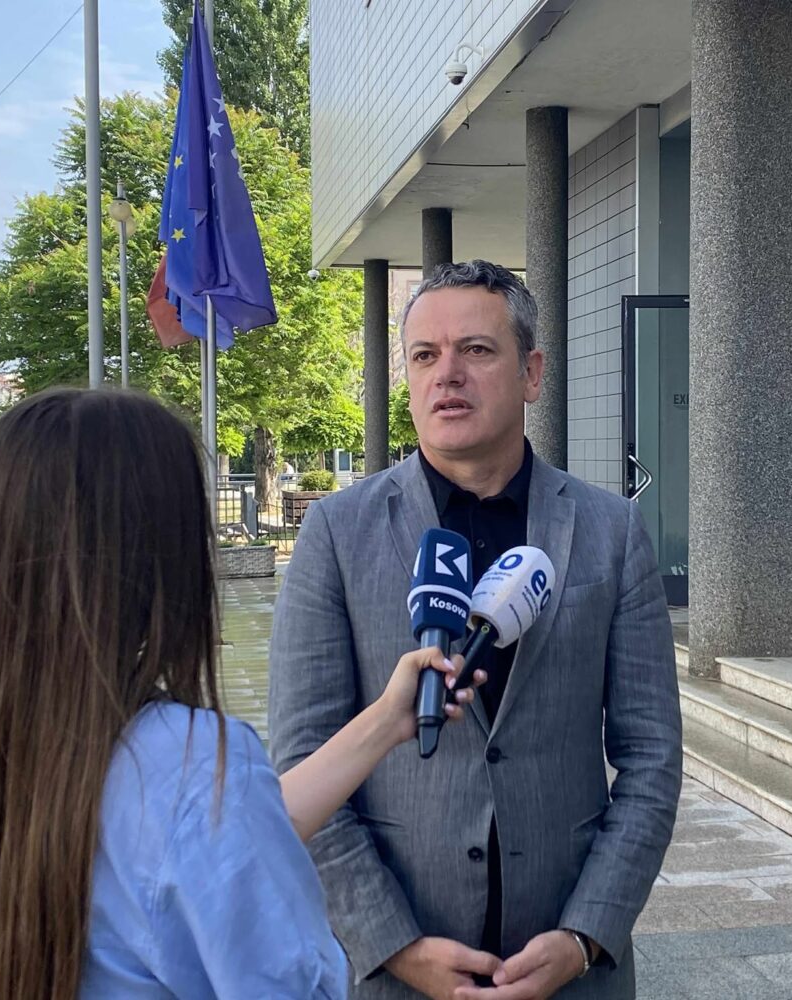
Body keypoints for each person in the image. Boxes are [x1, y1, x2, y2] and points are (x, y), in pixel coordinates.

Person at [0, 388, 486, 1000]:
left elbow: (211, 842)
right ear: (158, 555)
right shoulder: (194, 765)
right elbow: (229, 867)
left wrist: (385, 722)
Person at [268, 260, 683, 1000]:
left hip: (569, 969)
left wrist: (586, 935)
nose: (446, 375)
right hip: (396, 971)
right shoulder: (337, 532)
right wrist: (394, 945)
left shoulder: (610, 531)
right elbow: (304, 759)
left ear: (531, 373)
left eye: (476, 350)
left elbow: (651, 757)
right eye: (424, 355)